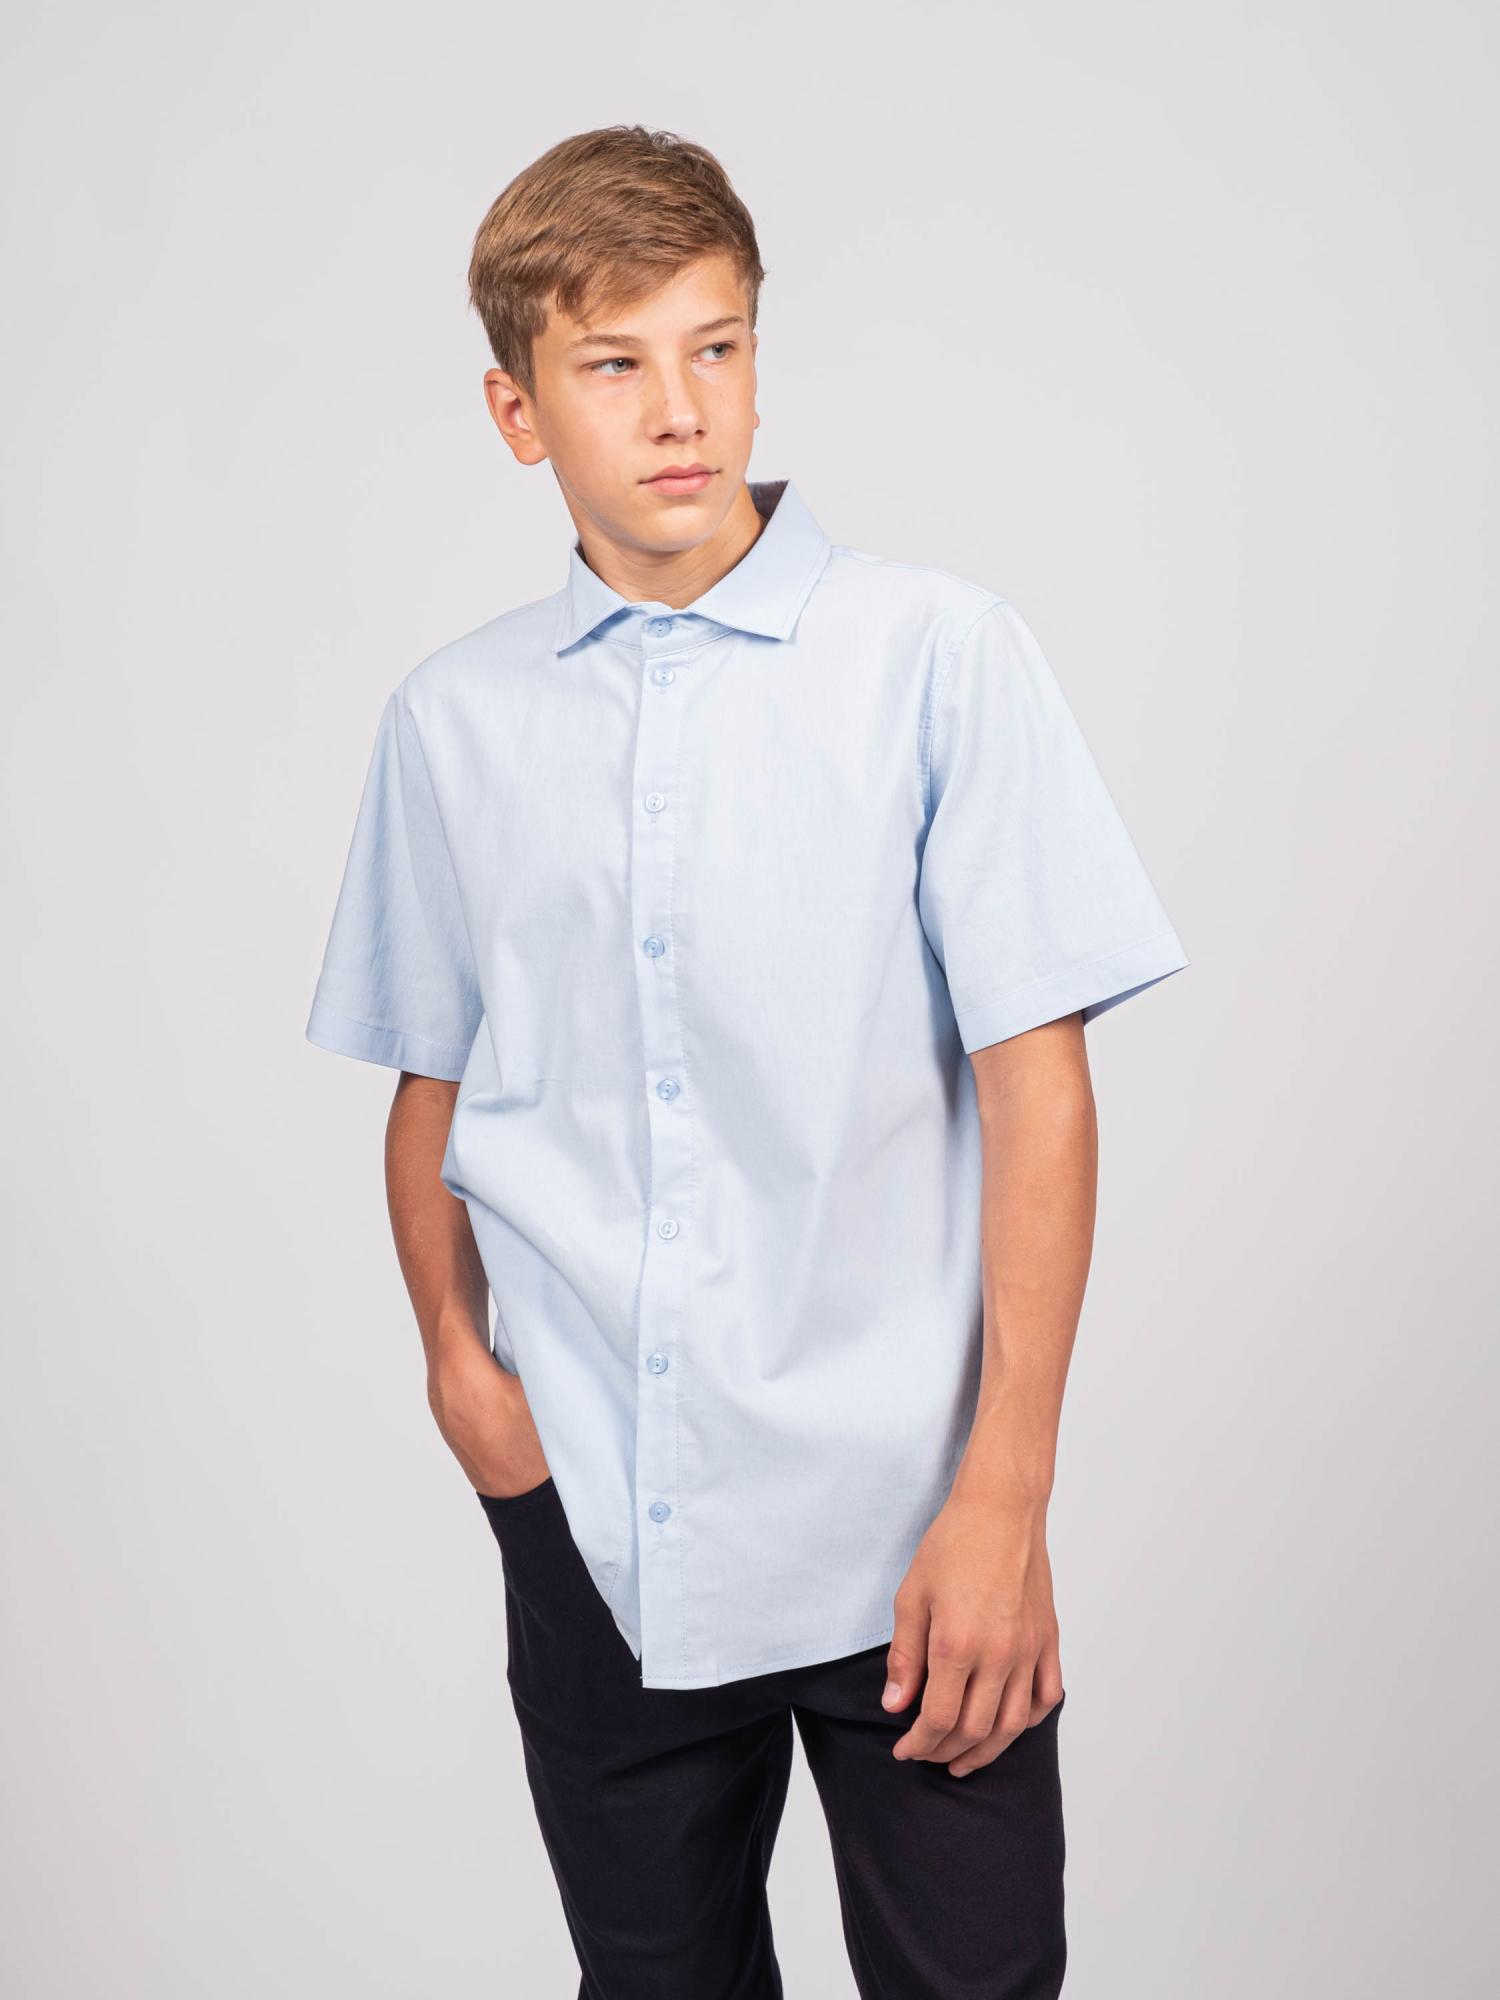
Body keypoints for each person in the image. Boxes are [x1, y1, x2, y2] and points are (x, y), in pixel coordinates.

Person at [305, 122, 1187, 2000]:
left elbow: (1038, 1080)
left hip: (910, 1527)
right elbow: (431, 1073)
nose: (679, 409)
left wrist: (1007, 1495)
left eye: (716, 347)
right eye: (615, 364)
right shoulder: (452, 722)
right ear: (518, 411)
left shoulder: (936, 656)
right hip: (597, 1527)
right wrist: (465, 1378)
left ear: (760, 359)